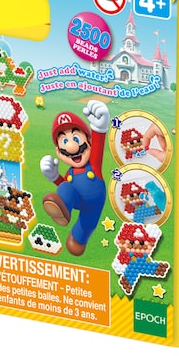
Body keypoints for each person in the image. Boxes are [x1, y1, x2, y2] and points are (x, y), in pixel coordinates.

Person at [39, 100, 111, 255]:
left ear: (89, 142)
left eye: (76, 139)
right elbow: (66, 186)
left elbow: (99, 146)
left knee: (87, 225)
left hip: (94, 203)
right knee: (65, 186)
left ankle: (78, 238)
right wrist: (54, 176)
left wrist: (99, 128)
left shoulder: (93, 164)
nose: (72, 147)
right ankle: (64, 209)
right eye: (65, 141)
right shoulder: (70, 173)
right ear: (58, 152)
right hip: (76, 200)